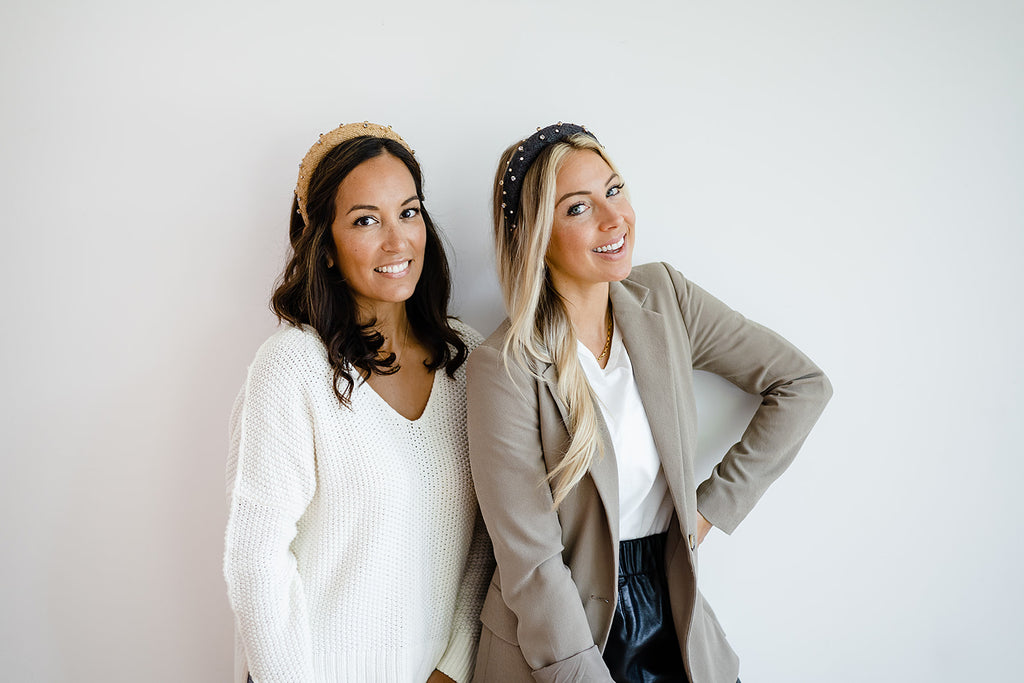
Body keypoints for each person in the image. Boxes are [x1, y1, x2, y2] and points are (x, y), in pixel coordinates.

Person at [466, 123, 832, 683]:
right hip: (560, 633)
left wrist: (710, 509)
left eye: (614, 191)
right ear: (537, 235)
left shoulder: (665, 297)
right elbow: (532, 567)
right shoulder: (504, 367)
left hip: (672, 602)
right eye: (578, 208)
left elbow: (801, 384)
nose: (613, 220)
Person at [223, 122, 492, 683]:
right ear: (325, 248)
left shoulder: (467, 358)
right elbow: (256, 561)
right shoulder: (293, 367)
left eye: (409, 212)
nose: (397, 242)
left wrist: (453, 667)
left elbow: (487, 539)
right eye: (366, 220)